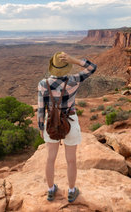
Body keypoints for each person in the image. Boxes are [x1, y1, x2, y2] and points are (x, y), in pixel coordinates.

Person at [37, 52, 97, 203]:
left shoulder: (43, 84)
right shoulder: (73, 80)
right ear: (66, 67)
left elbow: (40, 109)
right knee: (71, 160)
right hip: (70, 122)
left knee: (50, 159)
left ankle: (51, 191)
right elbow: (92, 67)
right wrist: (75, 60)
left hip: (51, 124)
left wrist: (41, 127)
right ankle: (71, 191)